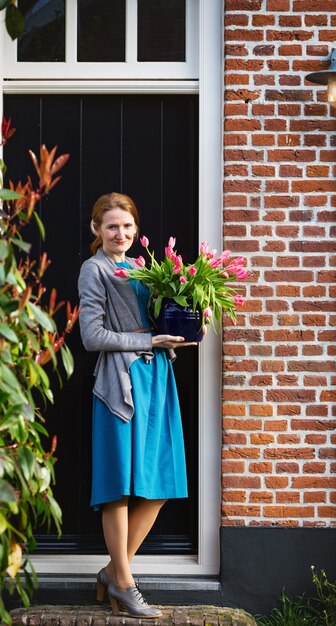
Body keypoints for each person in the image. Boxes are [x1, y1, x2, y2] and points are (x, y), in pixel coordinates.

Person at [78, 192, 195, 619]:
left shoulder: (145, 267)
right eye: (111, 226)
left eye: (126, 226)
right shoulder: (94, 270)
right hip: (120, 385)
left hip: (157, 380)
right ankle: (125, 583)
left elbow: (160, 318)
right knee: (118, 487)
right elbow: (92, 337)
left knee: (160, 481)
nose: (120, 234)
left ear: (135, 230)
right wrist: (148, 340)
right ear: (97, 230)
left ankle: (113, 570)